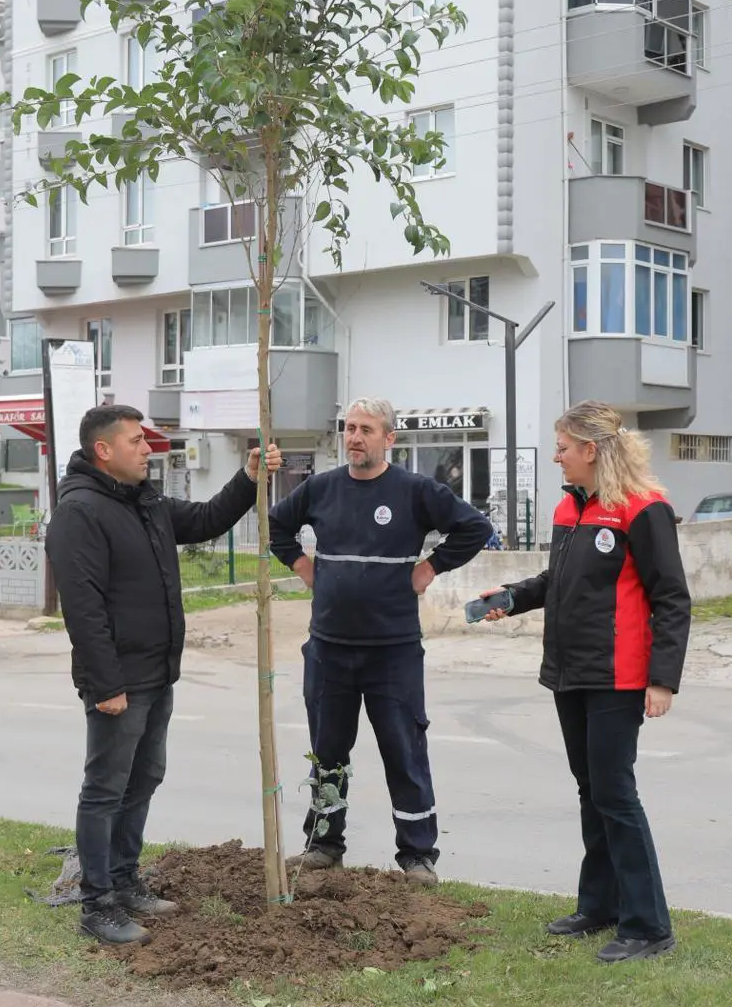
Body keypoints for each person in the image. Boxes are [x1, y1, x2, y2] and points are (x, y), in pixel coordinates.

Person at [46, 404, 280, 946]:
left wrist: (248, 478)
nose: (148, 450)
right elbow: (82, 608)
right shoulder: (80, 512)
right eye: (136, 442)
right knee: (105, 789)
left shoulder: (143, 501)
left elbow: (203, 521)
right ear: (103, 450)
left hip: (156, 674)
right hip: (118, 681)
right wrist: (106, 686)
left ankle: (126, 881)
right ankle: (97, 904)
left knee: (144, 777)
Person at [475, 400, 688, 964]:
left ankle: (648, 925)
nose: (557, 457)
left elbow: (672, 599)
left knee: (616, 795)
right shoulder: (571, 509)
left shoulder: (644, 509)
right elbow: (557, 580)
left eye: (563, 448)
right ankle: (600, 906)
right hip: (569, 672)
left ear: (591, 450)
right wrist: (512, 598)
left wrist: (662, 680)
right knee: (591, 791)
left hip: (618, 676)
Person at [268, 396, 493, 886]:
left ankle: (417, 855)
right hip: (328, 648)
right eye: (349, 428)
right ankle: (324, 844)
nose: (355, 437)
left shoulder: (415, 491)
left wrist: (431, 567)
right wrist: (304, 567)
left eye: (366, 429)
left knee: (404, 750)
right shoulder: (320, 489)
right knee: (328, 752)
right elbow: (277, 526)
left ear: (389, 438)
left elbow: (475, 527)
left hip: (393, 651)